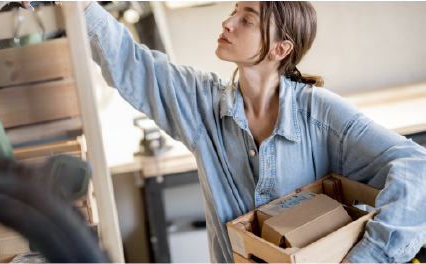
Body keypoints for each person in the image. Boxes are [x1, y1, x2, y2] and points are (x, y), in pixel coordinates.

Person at [82, 1, 426, 263]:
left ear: (280, 49)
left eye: (246, 19)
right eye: (234, 11)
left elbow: (418, 168)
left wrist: (364, 258)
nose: (227, 22)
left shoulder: (320, 114)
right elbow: (131, 63)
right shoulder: (202, 104)